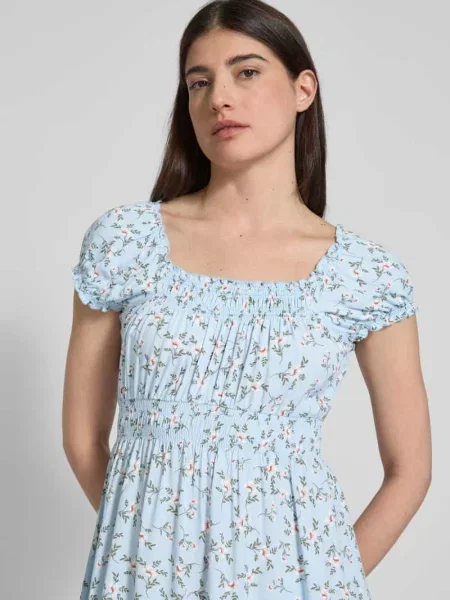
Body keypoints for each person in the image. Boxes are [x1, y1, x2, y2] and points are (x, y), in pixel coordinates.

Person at [63, 1, 432, 598]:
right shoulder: (126, 243)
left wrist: (320, 578)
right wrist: (143, 551)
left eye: (248, 72)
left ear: (303, 89)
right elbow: (82, 439)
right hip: (143, 578)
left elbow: (410, 471)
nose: (220, 99)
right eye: (199, 82)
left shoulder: (365, 274)